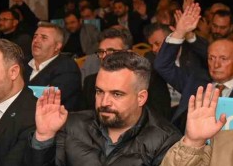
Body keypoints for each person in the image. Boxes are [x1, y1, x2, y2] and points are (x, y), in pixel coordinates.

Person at [26, 51, 181, 166]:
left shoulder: (166, 140)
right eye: (99, 91)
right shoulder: (70, 124)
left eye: (117, 94)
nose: (104, 102)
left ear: (141, 97)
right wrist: (44, 137)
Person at [155, 3, 233, 130]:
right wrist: (179, 32)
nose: (216, 65)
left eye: (223, 59)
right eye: (211, 58)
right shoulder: (195, 82)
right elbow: (162, 65)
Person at [81, 28, 171, 119]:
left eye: (111, 51)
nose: (104, 56)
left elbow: (160, 117)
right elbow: (85, 119)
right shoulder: (90, 82)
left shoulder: (149, 80)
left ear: (129, 54)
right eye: (101, 52)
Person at [24, 22, 82, 111]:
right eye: (35, 36)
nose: (36, 41)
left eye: (44, 37)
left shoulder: (67, 68)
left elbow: (50, 102)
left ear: (57, 46)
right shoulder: (22, 64)